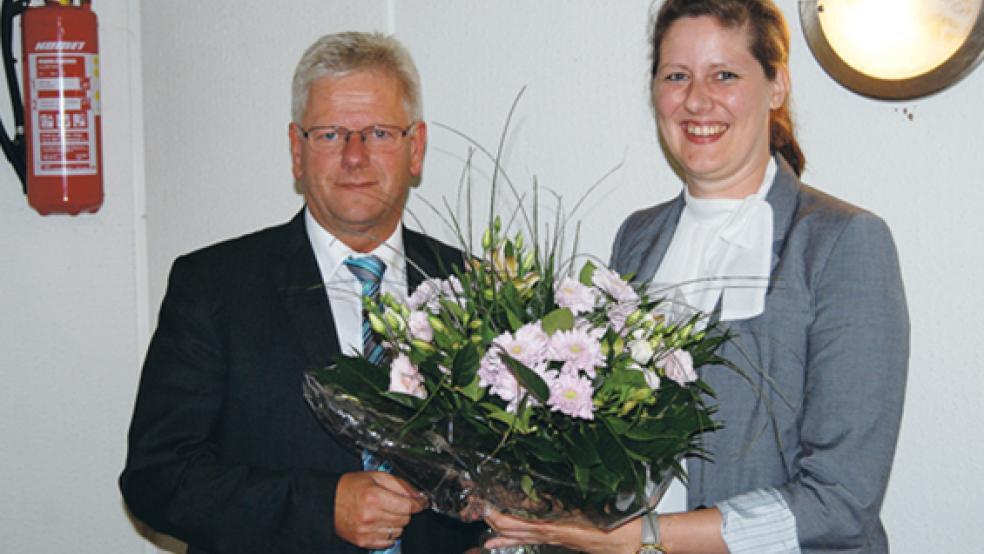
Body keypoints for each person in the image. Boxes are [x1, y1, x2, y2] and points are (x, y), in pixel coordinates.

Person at [484, 1, 909, 553]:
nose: (696, 100)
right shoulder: (637, 239)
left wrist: (645, 539)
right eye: (676, 76)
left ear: (777, 85)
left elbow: (841, 504)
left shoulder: (840, 243)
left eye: (724, 75)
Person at [120, 31, 481, 554]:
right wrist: (319, 507)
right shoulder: (213, 287)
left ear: (415, 148)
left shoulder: (473, 287)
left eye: (379, 132)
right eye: (331, 135)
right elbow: (156, 478)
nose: (355, 157)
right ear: (297, 150)